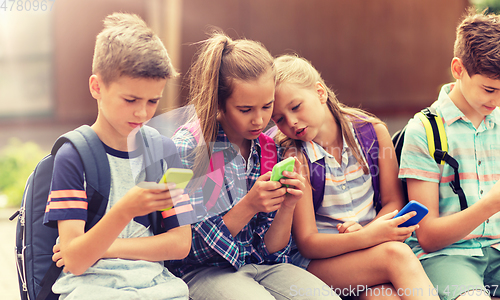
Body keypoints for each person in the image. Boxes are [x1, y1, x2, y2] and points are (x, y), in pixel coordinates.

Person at [169, 31, 341, 300]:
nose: (259, 121)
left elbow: (272, 250)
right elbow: (192, 248)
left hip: (262, 267)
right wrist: (249, 205)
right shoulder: (188, 148)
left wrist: (287, 205)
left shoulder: (269, 148)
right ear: (219, 103)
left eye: (267, 107)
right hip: (202, 271)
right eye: (246, 109)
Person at [44, 13, 192, 299]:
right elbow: (74, 261)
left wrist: (109, 247)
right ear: (97, 87)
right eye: (131, 100)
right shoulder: (73, 156)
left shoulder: (163, 151)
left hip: (158, 289)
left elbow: (180, 243)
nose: (142, 113)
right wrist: (125, 210)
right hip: (91, 290)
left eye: (153, 101)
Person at [271, 54, 439, 300]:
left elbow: (393, 200)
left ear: (320, 93)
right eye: (280, 119)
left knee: (383, 297)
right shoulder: (296, 157)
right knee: (397, 256)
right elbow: (307, 243)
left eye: (295, 107)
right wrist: (369, 236)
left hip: (371, 251)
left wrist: (369, 232)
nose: (292, 122)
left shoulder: (373, 133)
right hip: (318, 265)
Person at [399, 8, 500, 300]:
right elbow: (427, 237)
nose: (496, 100)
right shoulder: (424, 131)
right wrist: (490, 204)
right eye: (489, 89)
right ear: (458, 69)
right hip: (448, 257)